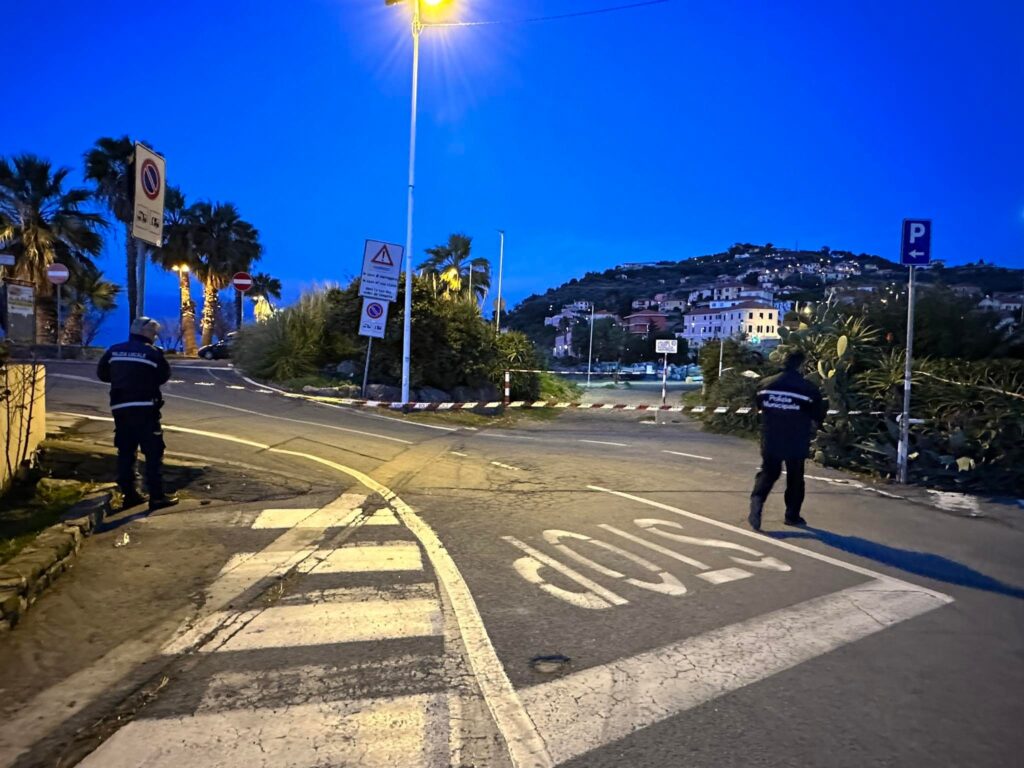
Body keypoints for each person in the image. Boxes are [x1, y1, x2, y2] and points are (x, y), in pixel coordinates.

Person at [97, 316, 178, 511]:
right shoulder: (153, 353)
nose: (155, 337)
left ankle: (130, 495)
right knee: (153, 452)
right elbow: (163, 376)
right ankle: (156, 496)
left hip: (120, 408)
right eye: (154, 333)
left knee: (126, 451)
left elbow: (103, 374)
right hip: (145, 407)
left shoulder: (114, 350)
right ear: (146, 332)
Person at [748, 349, 827, 531]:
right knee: (795, 477)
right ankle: (792, 516)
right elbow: (818, 414)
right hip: (796, 438)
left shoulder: (765, 385)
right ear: (801, 364)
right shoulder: (808, 388)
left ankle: (757, 500)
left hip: (771, 436)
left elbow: (758, 406)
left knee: (769, 473)